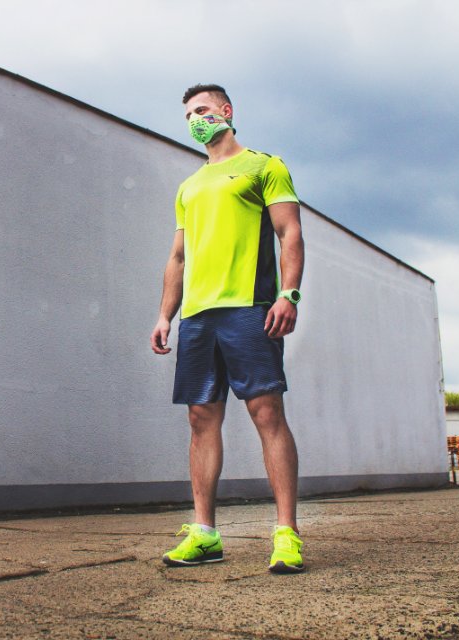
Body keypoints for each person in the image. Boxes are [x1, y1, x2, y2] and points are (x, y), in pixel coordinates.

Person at [150, 83, 306, 573]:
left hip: (249, 308)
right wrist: (164, 314)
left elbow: (289, 232)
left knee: (265, 412)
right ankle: (205, 534)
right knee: (200, 419)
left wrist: (290, 294)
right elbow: (177, 257)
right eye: (189, 114)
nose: (196, 119)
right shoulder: (189, 186)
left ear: (226, 111)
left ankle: (286, 535)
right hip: (198, 317)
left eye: (202, 110)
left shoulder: (265, 166)